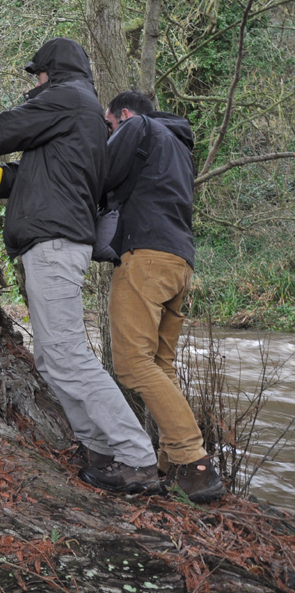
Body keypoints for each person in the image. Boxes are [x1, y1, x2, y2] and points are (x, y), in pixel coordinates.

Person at [0, 38, 160, 494]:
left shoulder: (69, 98)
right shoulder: (83, 118)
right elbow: (28, 179)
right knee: (51, 358)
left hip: (56, 245)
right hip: (55, 242)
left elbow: (8, 129)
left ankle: (137, 458)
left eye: (37, 73)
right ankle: (98, 447)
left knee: (69, 356)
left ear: (52, 71)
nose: (34, 82)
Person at [100, 90, 224, 503]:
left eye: (109, 125)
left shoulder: (137, 127)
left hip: (146, 258)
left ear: (127, 114)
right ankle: (173, 464)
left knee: (133, 365)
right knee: (159, 364)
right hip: (180, 263)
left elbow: (97, 175)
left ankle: (195, 462)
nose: (109, 131)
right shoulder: (178, 144)